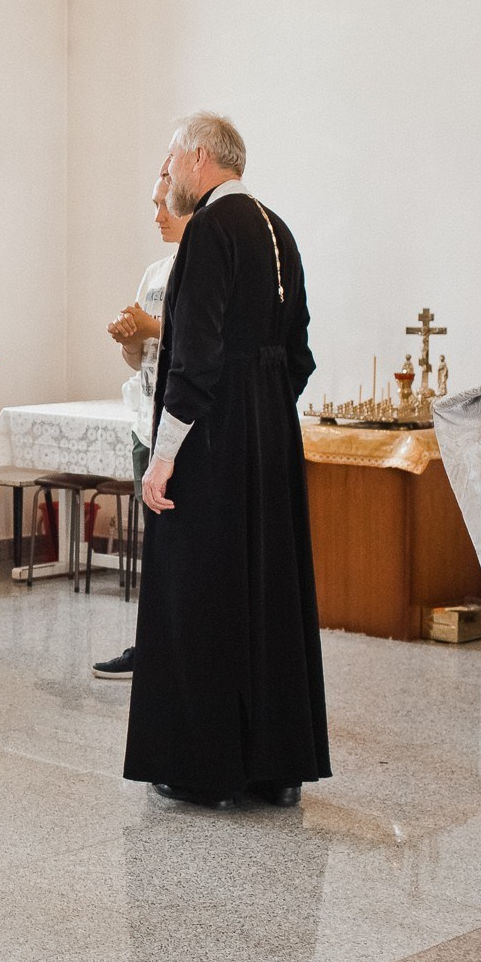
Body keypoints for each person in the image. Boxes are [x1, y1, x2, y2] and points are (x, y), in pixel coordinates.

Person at [125, 113, 329, 809]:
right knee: (267, 593)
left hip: (211, 442)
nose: (168, 174)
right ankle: (277, 767)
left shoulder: (209, 230)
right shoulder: (279, 229)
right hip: (270, 435)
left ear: (199, 158)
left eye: (170, 159)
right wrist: (264, 407)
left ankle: (200, 767)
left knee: (201, 595)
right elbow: (298, 353)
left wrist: (164, 457)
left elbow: (197, 357)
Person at [91, 172, 188, 681]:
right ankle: (151, 645)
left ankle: (184, 650)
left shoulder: (203, 266)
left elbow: (200, 342)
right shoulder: (155, 273)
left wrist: (154, 329)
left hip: (185, 428)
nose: (156, 217)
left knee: (185, 550)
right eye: (153, 205)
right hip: (147, 424)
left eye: (163, 206)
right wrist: (129, 338)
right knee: (153, 546)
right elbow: (139, 360)